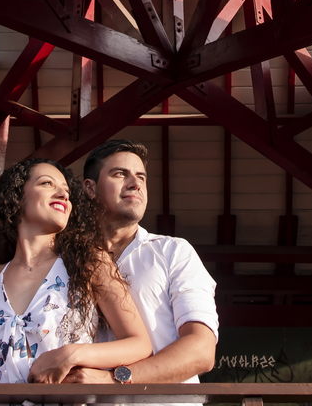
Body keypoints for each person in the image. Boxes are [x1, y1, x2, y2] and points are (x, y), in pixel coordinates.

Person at [0, 157, 152, 385]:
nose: (63, 195)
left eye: (67, 192)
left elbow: (139, 344)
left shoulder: (89, 263)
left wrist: (73, 354)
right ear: (16, 196)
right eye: (47, 183)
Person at [63, 139, 218, 386]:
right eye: (120, 174)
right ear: (90, 189)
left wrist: (113, 380)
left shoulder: (173, 252)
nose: (135, 184)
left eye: (141, 177)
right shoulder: (62, 262)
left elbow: (201, 349)